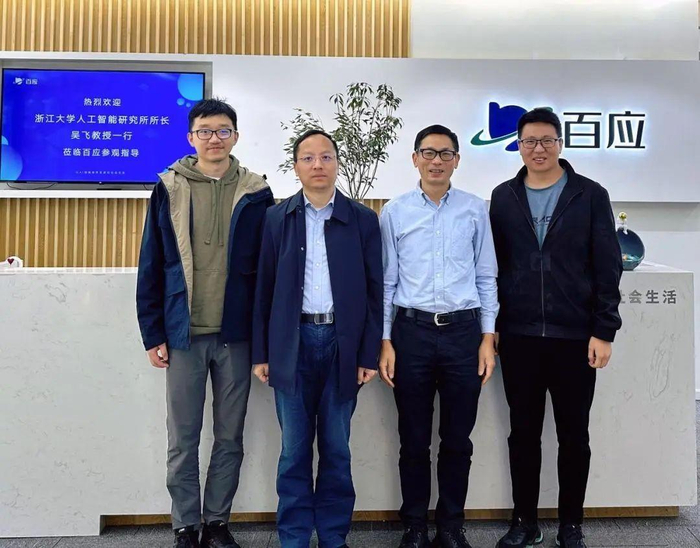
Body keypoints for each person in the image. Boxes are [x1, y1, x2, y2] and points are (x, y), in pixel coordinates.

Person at [136, 98, 274, 548]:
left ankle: (216, 522)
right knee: (183, 438)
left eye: (223, 130)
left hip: (236, 336)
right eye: (205, 131)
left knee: (230, 437)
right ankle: (184, 525)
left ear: (236, 136)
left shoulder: (257, 192)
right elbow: (152, 262)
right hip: (183, 335)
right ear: (190, 137)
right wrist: (153, 332)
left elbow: (268, 270)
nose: (214, 138)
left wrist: (265, 337)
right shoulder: (169, 187)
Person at [490, 108, 622, 548]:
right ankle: (524, 521)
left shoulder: (589, 194)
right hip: (520, 336)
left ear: (560, 144)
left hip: (575, 337)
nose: (538, 149)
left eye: (547, 140)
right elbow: (494, 268)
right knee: (523, 434)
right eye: (529, 141)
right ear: (519, 146)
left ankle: (571, 525)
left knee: (574, 436)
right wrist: (494, 327)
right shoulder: (504, 197)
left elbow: (608, 266)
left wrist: (604, 330)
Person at [251, 129, 383, 548]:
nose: (317, 165)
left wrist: (367, 353)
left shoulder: (362, 220)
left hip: (343, 344)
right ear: (296, 167)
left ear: (337, 163)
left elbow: (375, 291)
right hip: (291, 345)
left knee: (336, 449)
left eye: (326, 157)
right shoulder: (277, 218)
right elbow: (263, 289)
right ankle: (292, 538)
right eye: (308, 158)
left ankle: (333, 537)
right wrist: (261, 352)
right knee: (293, 450)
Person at [378, 124, 499, 548]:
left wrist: (487, 337)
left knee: (457, 439)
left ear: (457, 160)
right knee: (412, 439)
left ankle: (450, 526)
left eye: (446, 154)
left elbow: (486, 276)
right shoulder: (394, 211)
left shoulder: (474, 209)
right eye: (428, 153)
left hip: (463, 334)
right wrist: (385, 340)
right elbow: (387, 281)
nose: (436, 161)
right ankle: (414, 526)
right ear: (415, 159)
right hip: (410, 333)